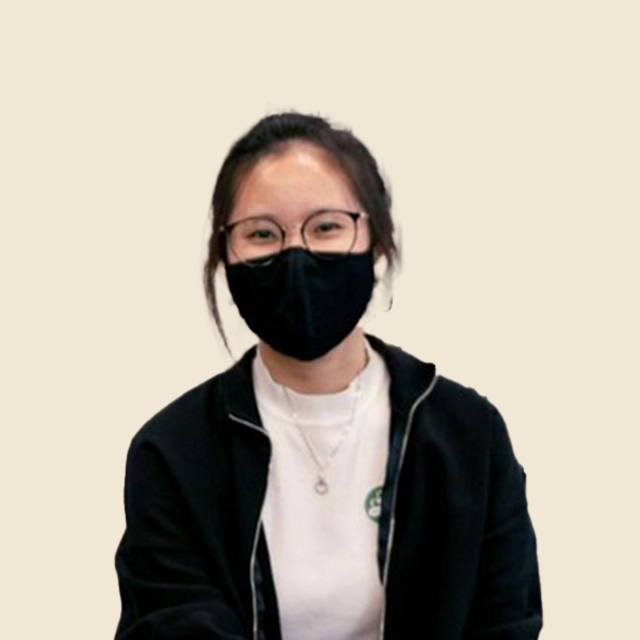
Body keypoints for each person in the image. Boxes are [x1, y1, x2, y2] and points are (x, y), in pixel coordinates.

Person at [113, 112, 543, 640]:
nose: (296, 254)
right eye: (262, 234)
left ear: (377, 242)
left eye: (327, 227)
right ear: (224, 255)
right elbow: (170, 622)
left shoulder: (469, 436)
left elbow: (506, 621)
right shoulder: (173, 452)